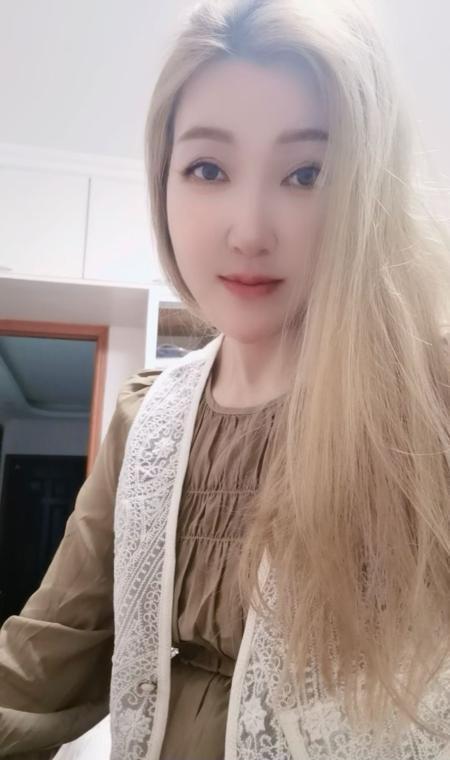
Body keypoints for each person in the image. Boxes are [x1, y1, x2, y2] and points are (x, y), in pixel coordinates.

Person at [1, 0, 450, 758]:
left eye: (307, 174)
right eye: (207, 168)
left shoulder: (428, 407)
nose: (248, 231)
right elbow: (43, 663)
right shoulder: (148, 418)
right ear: (164, 181)